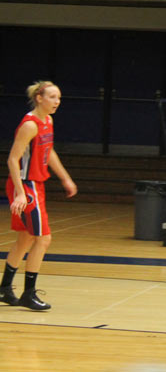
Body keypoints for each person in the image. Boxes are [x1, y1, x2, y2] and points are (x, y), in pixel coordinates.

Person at [0, 81, 77, 310]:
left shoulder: (48, 121)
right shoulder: (30, 125)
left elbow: (48, 150)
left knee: (25, 239)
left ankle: (4, 289)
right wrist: (20, 194)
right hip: (25, 186)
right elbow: (12, 159)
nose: (57, 102)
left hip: (36, 185)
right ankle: (28, 293)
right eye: (53, 97)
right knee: (43, 238)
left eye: (59, 98)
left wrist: (65, 177)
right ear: (39, 98)